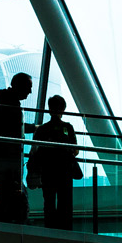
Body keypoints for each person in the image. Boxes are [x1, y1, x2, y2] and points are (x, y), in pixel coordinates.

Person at [0, 72, 34, 223]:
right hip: (7, 165)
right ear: (21, 86)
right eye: (29, 87)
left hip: (2, 164)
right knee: (10, 198)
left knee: (5, 197)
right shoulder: (10, 105)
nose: (30, 91)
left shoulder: (5, 102)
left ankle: (1, 224)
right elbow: (12, 130)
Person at [28, 95, 82, 230]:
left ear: (49, 109)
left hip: (48, 171)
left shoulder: (42, 129)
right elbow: (75, 150)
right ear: (63, 110)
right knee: (65, 202)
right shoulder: (68, 128)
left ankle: (50, 230)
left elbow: (35, 150)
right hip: (65, 171)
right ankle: (65, 230)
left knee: (49, 202)